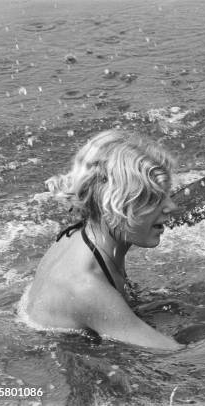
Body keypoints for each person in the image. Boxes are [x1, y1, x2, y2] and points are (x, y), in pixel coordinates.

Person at [22, 129, 184, 350]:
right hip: (59, 350)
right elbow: (171, 352)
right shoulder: (87, 287)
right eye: (154, 198)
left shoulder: (84, 235)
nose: (172, 207)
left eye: (167, 194)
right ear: (115, 205)